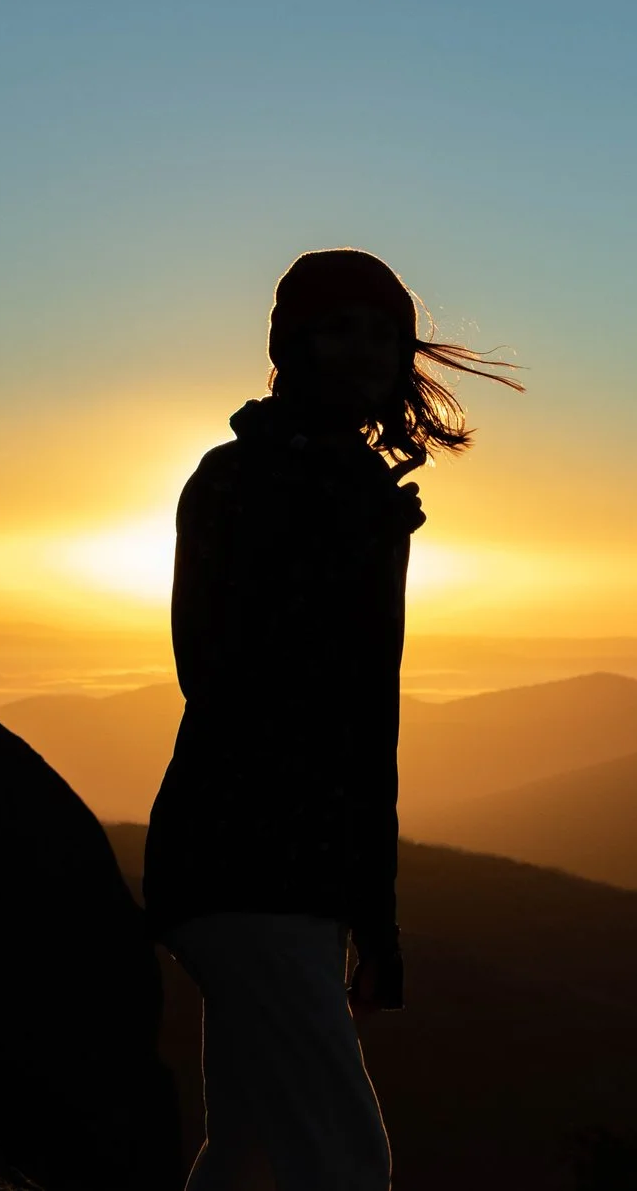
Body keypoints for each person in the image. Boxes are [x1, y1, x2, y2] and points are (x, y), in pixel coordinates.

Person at [144, 248, 521, 1191]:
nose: (366, 350)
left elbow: (363, 722)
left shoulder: (358, 493)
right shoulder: (238, 479)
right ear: (292, 343)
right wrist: (346, 545)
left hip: (287, 874)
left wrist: (373, 918)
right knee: (344, 1158)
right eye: (340, 328)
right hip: (243, 860)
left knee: (250, 1147)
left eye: (385, 334)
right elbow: (216, 670)